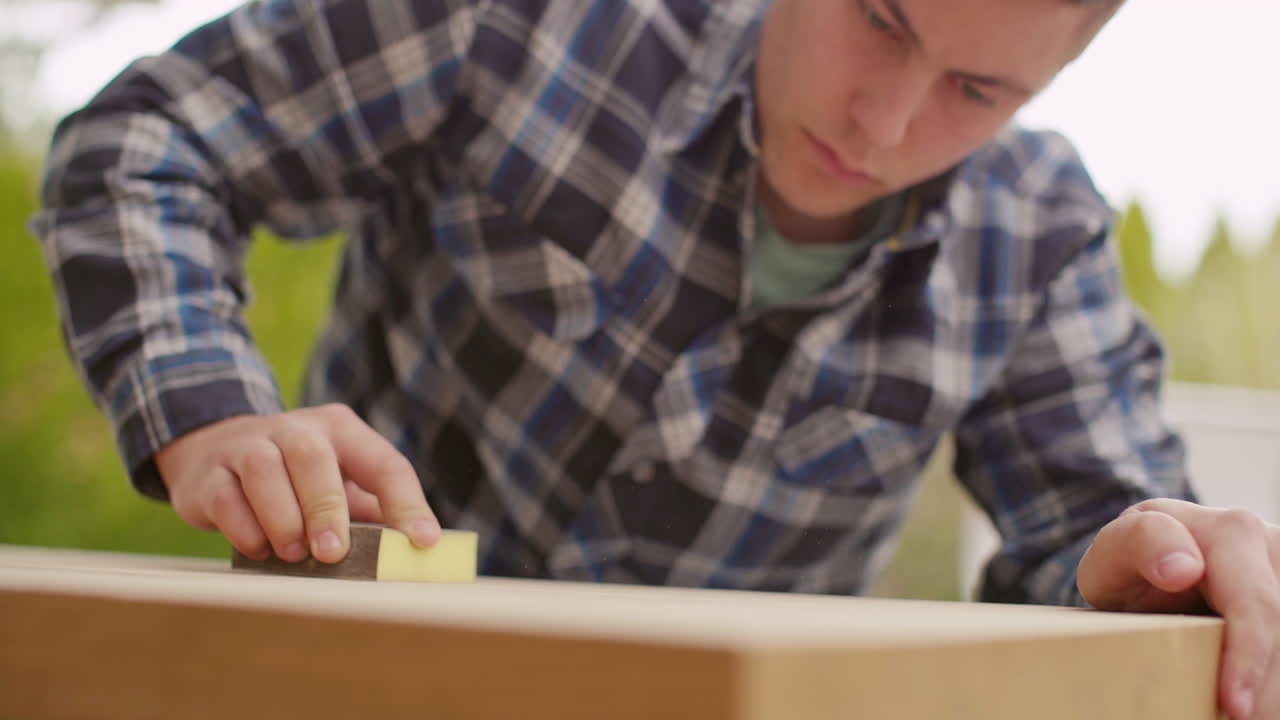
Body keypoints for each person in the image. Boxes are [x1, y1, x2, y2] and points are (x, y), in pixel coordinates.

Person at [29, 0, 1278, 716]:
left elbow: (1096, 541)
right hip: (348, 694)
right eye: (878, 18)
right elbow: (150, 136)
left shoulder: (1037, 236)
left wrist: (1145, 566)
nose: (884, 121)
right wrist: (207, 410)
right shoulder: (528, 22)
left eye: (976, 90)